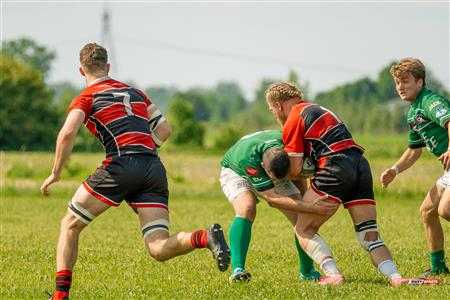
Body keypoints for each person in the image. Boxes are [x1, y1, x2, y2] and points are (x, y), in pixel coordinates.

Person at [40, 43, 230, 300]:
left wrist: (56, 172)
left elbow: (67, 132)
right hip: (153, 167)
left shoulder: (87, 97)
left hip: (121, 165)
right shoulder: (136, 93)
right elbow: (165, 130)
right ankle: (203, 237)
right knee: (157, 247)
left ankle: (60, 296)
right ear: (108, 67)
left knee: (69, 224)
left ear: (81, 71)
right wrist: (143, 153)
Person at [265, 82, 414, 286]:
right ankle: (396, 277)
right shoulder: (316, 108)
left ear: (278, 105)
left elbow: (295, 169)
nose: (275, 114)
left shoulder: (293, 118)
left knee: (303, 229)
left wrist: (274, 176)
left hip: (334, 164)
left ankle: (333, 275)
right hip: (360, 163)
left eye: (273, 110)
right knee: (369, 234)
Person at [220, 130, 339, 282]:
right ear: (264, 167)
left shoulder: (291, 148)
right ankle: (238, 270)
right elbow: (272, 198)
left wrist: (304, 201)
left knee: (302, 221)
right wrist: (311, 207)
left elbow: (298, 175)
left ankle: (308, 273)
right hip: (236, 170)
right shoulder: (249, 161)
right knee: (247, 208)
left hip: (277, 166)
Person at [380, 58, 449, 277]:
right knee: (427, 211)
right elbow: (413, 150)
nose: (400, 87)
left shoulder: (430, 101)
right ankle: (438, 267)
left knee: (445, 209)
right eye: (397, 83)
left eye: (405, 81)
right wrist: (394, 170)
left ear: (420, 82)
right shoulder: (413, 113)